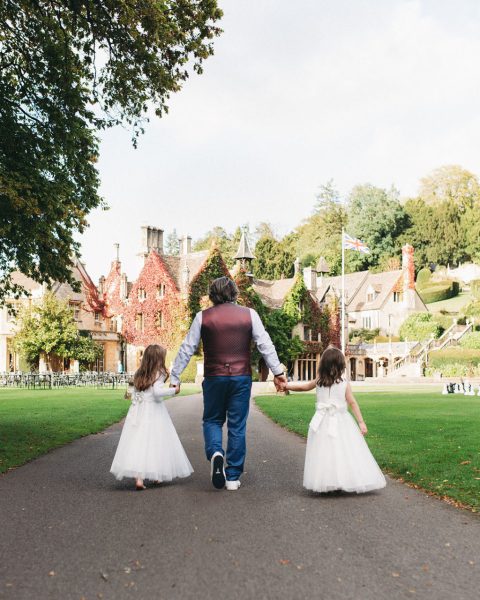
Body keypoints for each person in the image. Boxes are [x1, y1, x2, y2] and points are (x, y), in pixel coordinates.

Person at [170, 276, 286, 491]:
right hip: (241, 377)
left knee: (213, 420)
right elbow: (265, 344)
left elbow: (187, 348)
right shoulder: (249, 315)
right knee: (237, 426)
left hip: (214, 377)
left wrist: (175, 376)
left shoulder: (202, 317)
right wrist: (278, 371)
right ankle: (232, 476)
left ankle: (215, 452)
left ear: (212, 294)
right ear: (234, 293)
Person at [280, 346, 386, 493]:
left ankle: (327, 481)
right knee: (342, 450)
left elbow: (304, 387)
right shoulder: (343, 382)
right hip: (341, 421)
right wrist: (361, 422)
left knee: (324, 451)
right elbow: (352, 402)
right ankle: (340, 480)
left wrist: (287, 386)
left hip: (322, 421)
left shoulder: (318, 381)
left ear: (323, 364)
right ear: (341, 364)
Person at [110, 344, 193, 490]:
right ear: (158, 359)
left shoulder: (138, 373)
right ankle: (156, 475)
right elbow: (157, 393)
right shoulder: (159, 372)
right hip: (154, 411)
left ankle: (139, 479)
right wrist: (174, 391)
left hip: (138, 410)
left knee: (138, 442)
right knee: (156, 441)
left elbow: (129, 394)